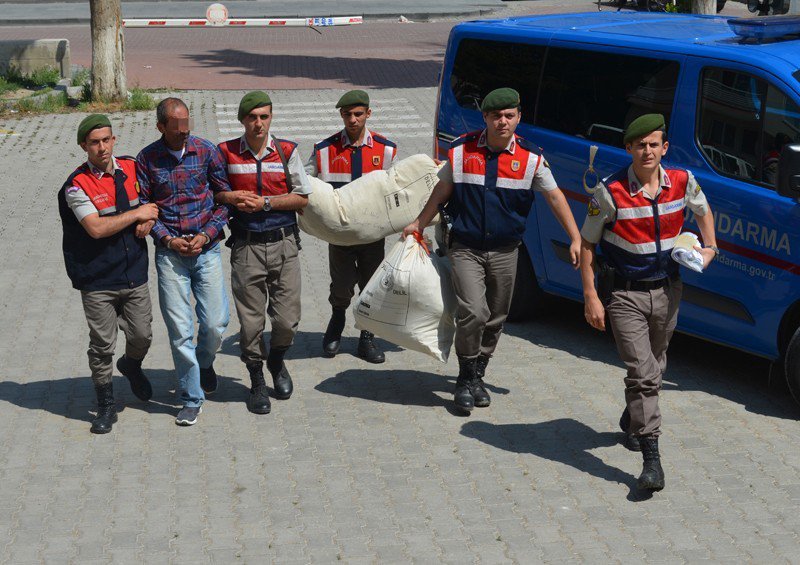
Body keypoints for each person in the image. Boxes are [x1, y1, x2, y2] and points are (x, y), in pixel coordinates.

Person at [402, 88, 581, 413]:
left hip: (505, 250)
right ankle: (464, 378)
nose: (502, 121)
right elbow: (441, 191)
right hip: (466, 247)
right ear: (484, 118)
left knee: (497, 317)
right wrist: (419, 222)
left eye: (509, 115)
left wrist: (576, 237)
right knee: (474, 312)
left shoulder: (531, 158)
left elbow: (555, 197)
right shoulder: (460, 151)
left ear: (518, 117)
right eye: (496, 116)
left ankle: (478, 374)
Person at [579, 113, 718, 492]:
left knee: (656, 363)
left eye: (654, 144)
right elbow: (587, 243)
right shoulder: (609, 193)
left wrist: (710, 249)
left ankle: (634, 415)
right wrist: (591, 296)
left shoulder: (683, 182)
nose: (647, 151)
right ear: (629, 149)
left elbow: (703, 212)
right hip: (625, 294)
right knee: (642, 372)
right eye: (639, 145)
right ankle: (650, 458)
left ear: (664, 148)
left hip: (669, 290)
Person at [58, 114, 159, 434]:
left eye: (106, 140)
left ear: (114, 140)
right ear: (83, 146)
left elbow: (152, 201)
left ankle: (131, 365)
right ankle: (105, 405)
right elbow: (97, 228)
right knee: (102, 345)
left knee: (142, 335)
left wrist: (150, 217)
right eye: (94, 142)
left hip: (134, 272)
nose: (102, 147)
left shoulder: (131, 167)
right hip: (98, 278)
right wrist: (137, 214)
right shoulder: (76, 185)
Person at [136, 98, 231, 426]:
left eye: (187, 128)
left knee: (216, 324)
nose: (184, 135)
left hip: (207, 250)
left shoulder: (206, 151)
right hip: (170, 256)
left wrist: (206, 235)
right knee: (180, 330)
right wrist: (167, 239)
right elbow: (145, 206)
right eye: (177, 131)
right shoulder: (147, 159)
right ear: (160, 127)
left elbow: (223, 201)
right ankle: (191, 397)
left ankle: (204, 363)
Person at [216, 91, 312, 415]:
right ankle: (256, 379)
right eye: (252, 117)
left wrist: (266, 202)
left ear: (271, 118)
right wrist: (230, 197)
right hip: (246, 248)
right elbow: (213, 191)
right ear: (242, 120)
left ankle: (277, 361)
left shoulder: (286, 151)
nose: (259, 123)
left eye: (264, 116)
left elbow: (302, 198)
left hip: (284, 244)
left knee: (287, 320)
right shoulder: (226, 152)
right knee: (251, 323)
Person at [306, 90, 397, 363]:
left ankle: (366, 337)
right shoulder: (324, 150)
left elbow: (395, 189)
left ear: (368, 113)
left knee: (371, 285)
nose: (353, 119)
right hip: (341, 235)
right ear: (341, 116)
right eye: (347, 114)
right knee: (342, 284)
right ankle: (336, 320)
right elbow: (304, 185)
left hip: (373, 235)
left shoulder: (387, 149)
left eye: (358, 114)